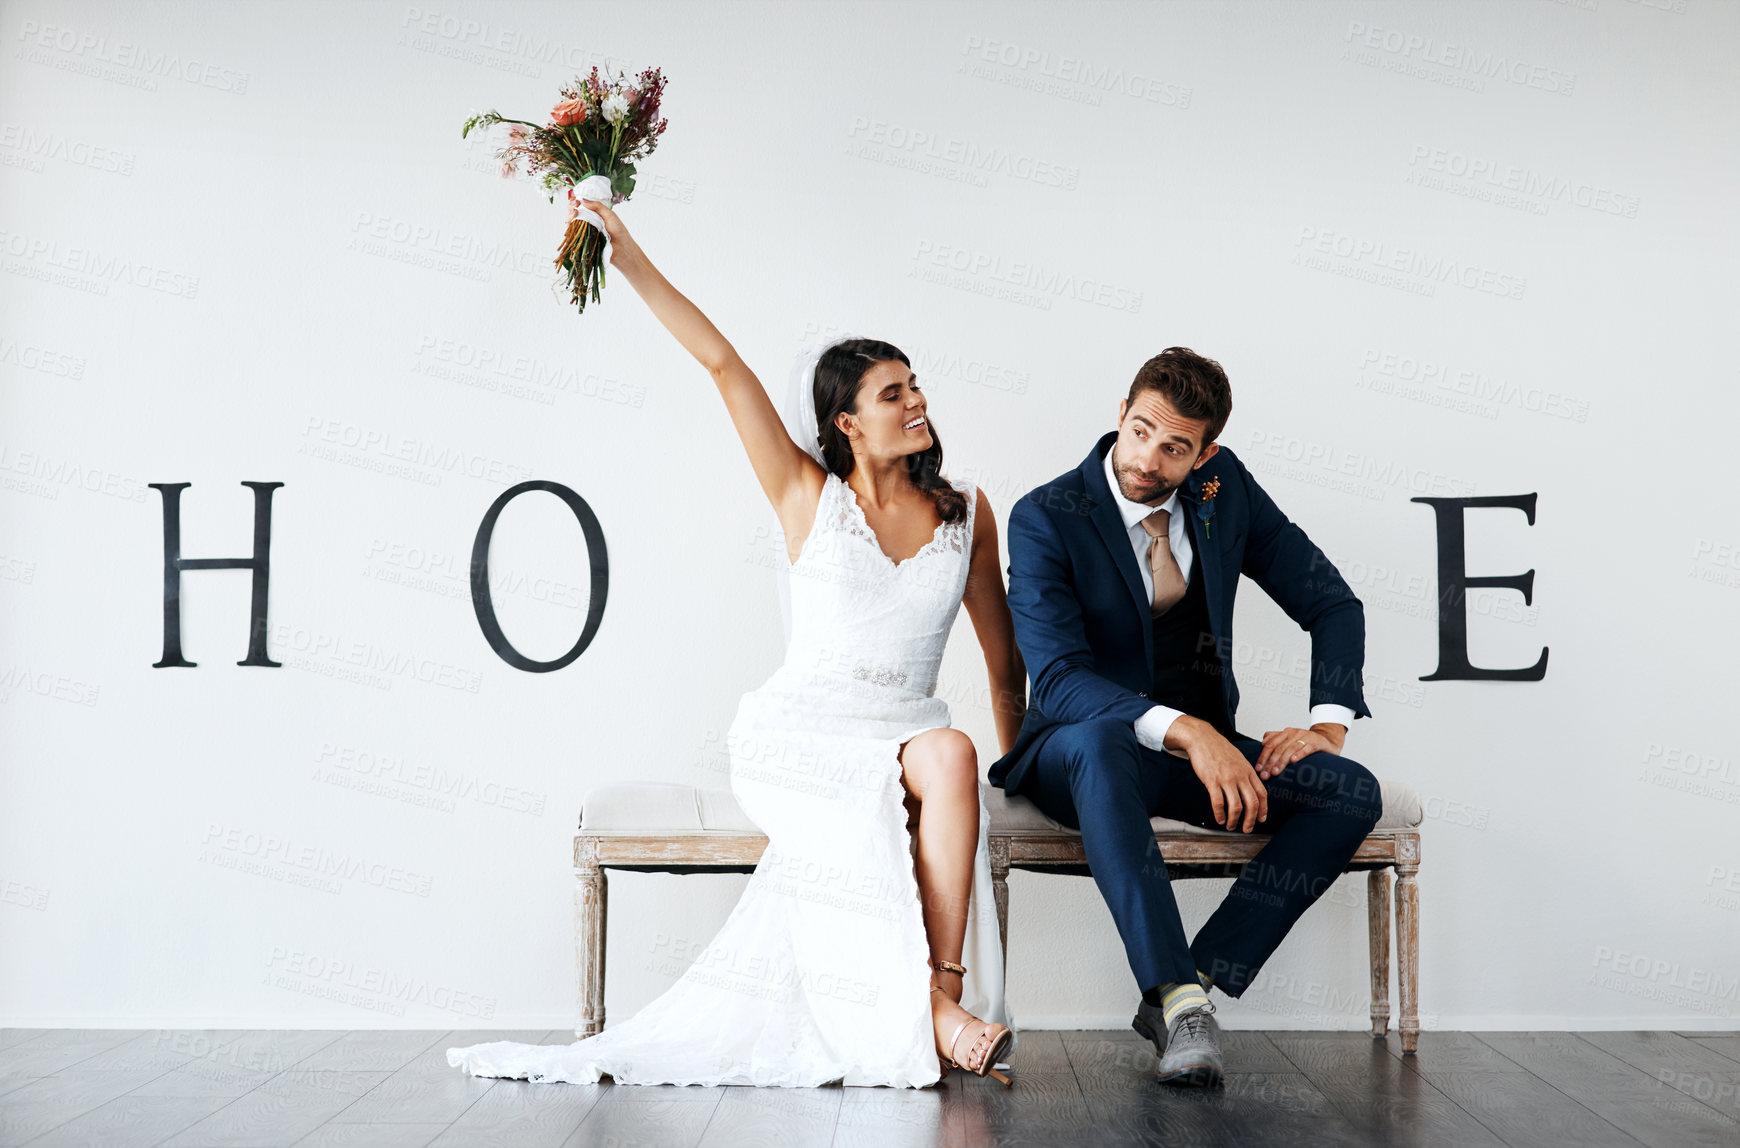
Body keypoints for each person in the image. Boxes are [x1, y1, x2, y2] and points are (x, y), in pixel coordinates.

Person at [448, 196, 1024, 1088]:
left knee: (950, 752)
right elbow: (722, 365)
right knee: (857, 816)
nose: (916, 402)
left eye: (916, 385)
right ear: (846, 422)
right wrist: (627, 252)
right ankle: (939, 1022)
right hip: (802, 735)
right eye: (892, 392)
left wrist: (1018, 765)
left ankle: (939, 990)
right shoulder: (806, 496)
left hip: (904, 725)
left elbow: (1003, 657)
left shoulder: (969, 514)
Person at [989, 347, 1383, 1087]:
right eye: (1140, 432)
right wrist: (1190, 731)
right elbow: (1062, 679)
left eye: (1176, 448)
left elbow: (1334, 602)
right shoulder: (1047, 514)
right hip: (1073, 754)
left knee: (1349, 790)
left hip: (1184, 757)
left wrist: (1326, 725)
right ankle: (1175, 999)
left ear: (1207, 452)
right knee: (1103, 739)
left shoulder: (1222, 490)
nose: (1149, 459)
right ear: (1120, 415)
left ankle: (1191, 982)